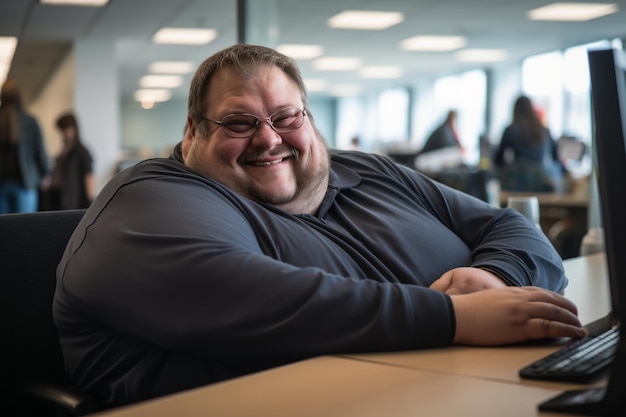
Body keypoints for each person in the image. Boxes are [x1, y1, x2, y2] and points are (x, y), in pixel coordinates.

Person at [53, 44, 585, 407]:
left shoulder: (367, 169)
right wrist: (454, 317)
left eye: (287, 117)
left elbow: (509, 227)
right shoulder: (150, 199)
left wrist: (493, 279)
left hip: (445, 396)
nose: (269, 139)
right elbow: (250, 298)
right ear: (191, 132)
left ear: (308, 118)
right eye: (239, 122)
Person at [493, 95, 565, 192]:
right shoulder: (544, 130)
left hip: (517, 183)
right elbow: (555, 157)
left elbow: (498, 161)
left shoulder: (510, 130)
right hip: (541, 181)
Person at [0, 78, 50, 213]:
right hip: (25, 183)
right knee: (24, 229)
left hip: (2, 184)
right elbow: (39, 150)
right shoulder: (29, 121)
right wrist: (46, 172)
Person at [46, 112, 95, 210]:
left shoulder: (82, 151)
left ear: (74, 129)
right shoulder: (65, 150)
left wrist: (90, 203)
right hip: (59, 198)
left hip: (73, 202)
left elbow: (89, 176)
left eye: (65, 130)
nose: (63, 134)